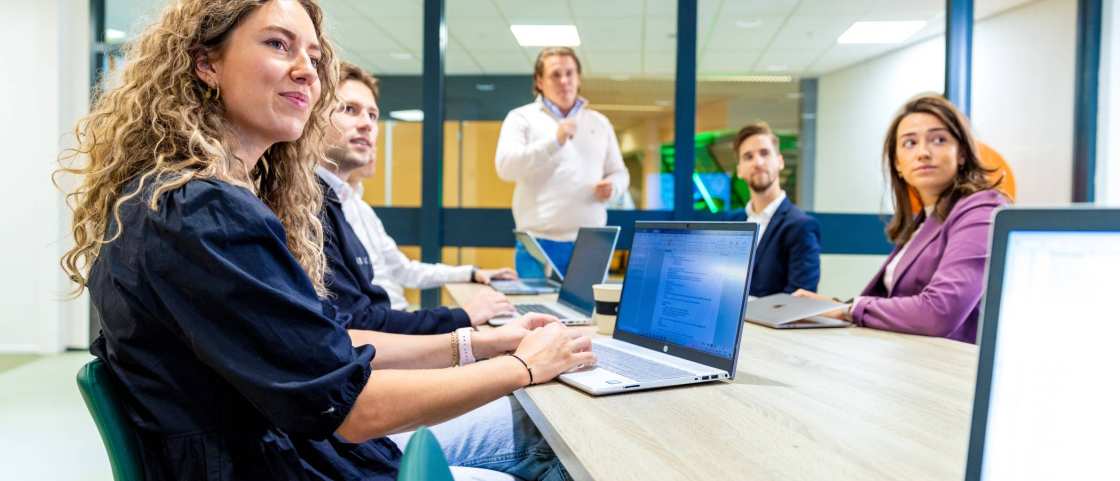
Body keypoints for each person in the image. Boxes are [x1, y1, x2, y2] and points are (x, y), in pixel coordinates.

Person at [57, 2, 593, 480]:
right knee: (554, 443)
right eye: (277, 44)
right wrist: (524, 366)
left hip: (278, 449)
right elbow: (351, 407)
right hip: (282, 462)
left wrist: (480, 344)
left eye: (313, 57)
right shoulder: (205, 213)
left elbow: (327, 349)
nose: (306, 71)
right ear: (206, 63)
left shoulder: (173, 197)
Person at [794, 95, 1009, 343]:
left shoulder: (982, 209)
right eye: (910, 143)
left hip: (951, 363)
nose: (923, 153)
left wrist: (848, 309)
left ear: (961, 153)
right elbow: (894, 304)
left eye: (939, 140)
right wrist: (834, 307)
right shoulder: (924, 220)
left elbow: (939, 312)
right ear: (897, 163)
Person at [317, 62, 513, 327]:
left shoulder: (351, 204)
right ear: (313, 118)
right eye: (349, 109)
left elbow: (401, 270)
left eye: (373, 115)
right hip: (388, 328)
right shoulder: (312, 206)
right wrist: (461, 318)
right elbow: (358, 322)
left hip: (395, 320)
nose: (366, 124)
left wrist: (470, 273)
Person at [495, 47, 629, 278]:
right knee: (537, 304)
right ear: (539, 81)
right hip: (537, 244)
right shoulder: (521, 118)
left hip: (591, 243)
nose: (564, 81)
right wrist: (554, 141)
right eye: (555, 74)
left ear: (579, 78)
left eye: (570, 73)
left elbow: (619, 172)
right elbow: (506, 167)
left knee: (594, 304)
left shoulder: (599, 122)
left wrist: (614, 187)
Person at [725, 122, 821, 296]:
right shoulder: (731, 223)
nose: (758, 162)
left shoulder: (801, 226)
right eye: (748, 157)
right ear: (739, 170)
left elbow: (800, 300)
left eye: (765, 153)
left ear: (780, 162)